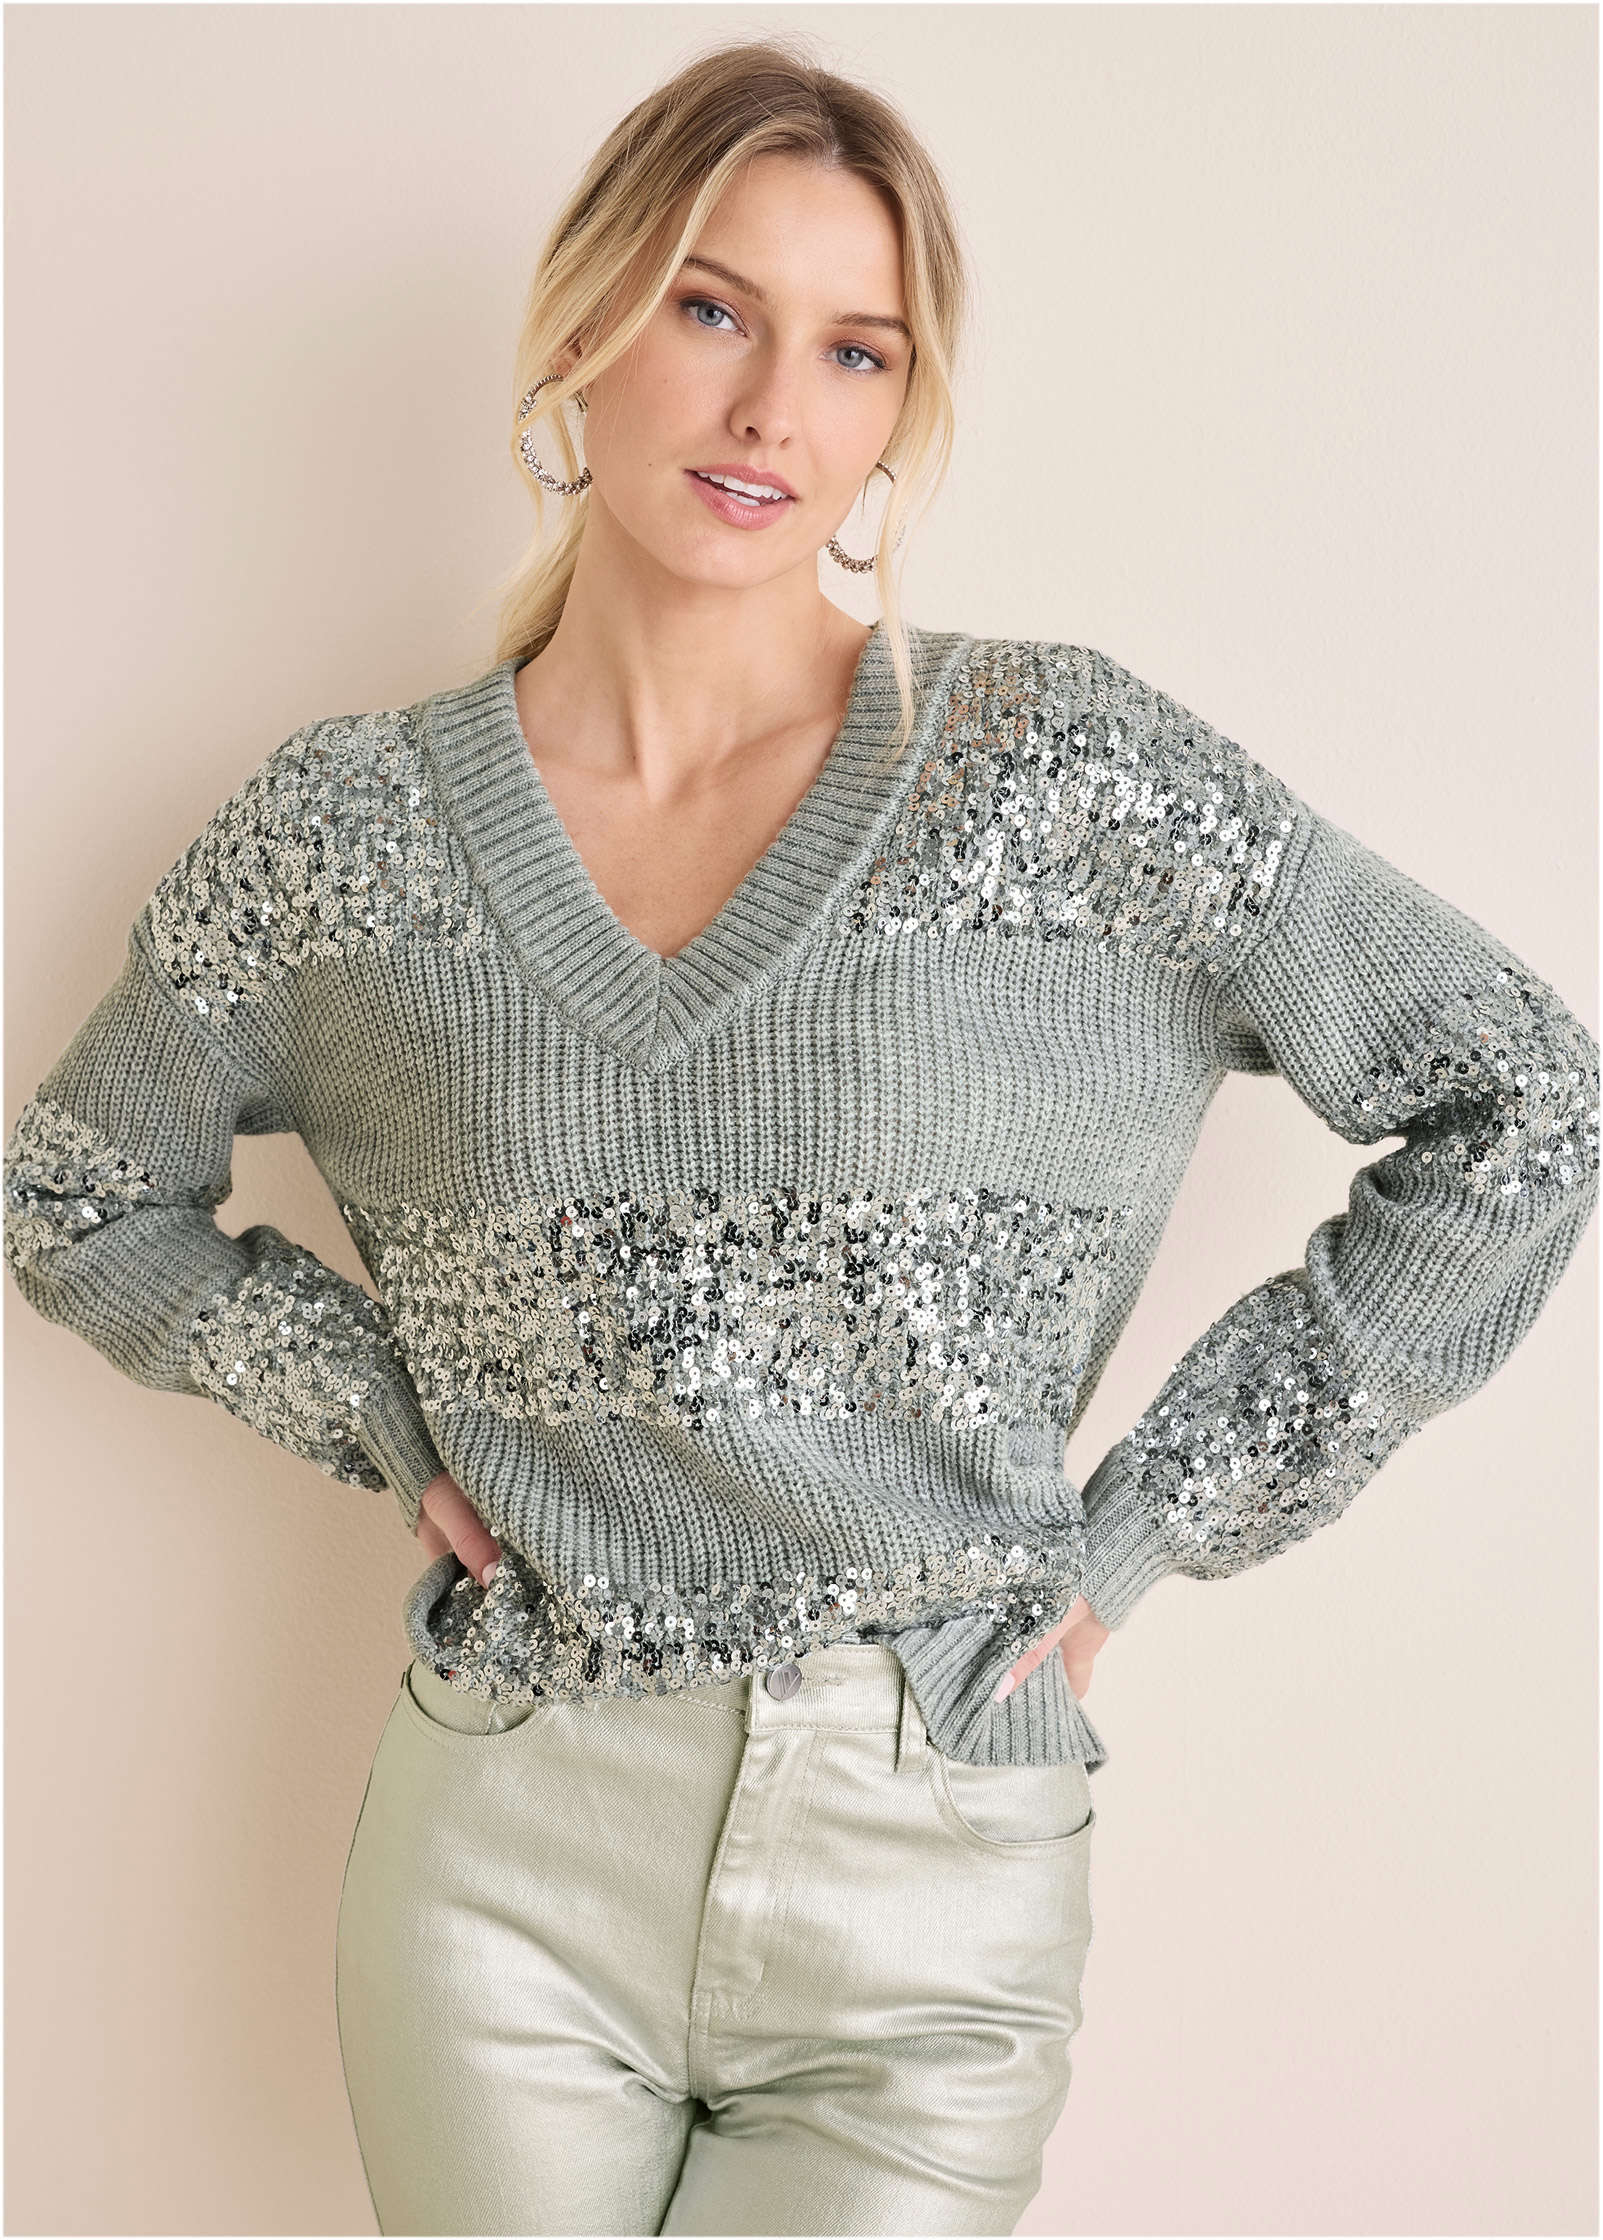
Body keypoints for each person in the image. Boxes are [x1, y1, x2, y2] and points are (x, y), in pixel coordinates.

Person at [5, 33, 1596, 2240]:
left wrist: (1149, 1529)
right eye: (712, 308)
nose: (773, 408)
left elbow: (1523, 1096)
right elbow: (77, 1192)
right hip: (504, 1861)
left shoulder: (1068, 777)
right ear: (584, 323)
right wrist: (377, 1409)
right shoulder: (343, 839)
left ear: (896, 414)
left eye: (857, 350)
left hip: (931, 1849)